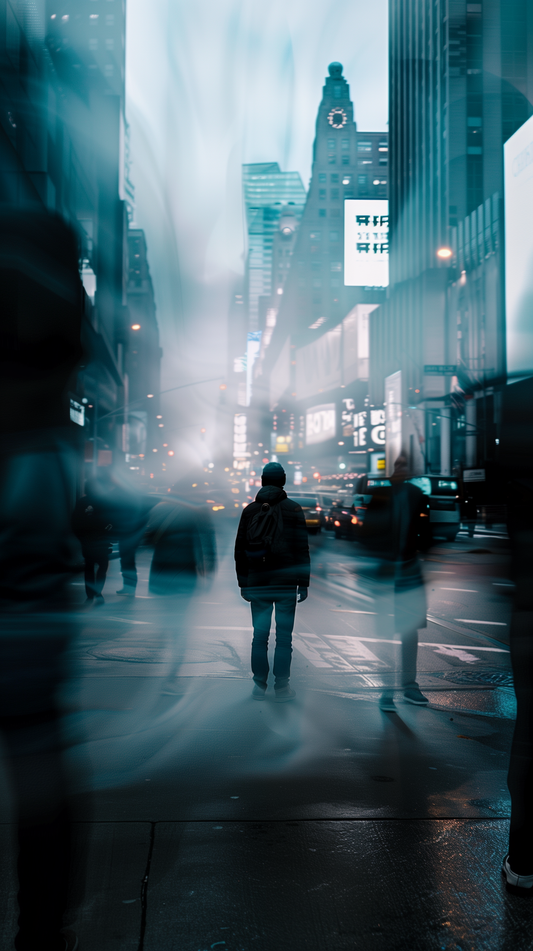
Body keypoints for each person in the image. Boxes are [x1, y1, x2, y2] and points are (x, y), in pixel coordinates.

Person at [356, 454, 429, 711]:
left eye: (404, 466)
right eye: (398, 466)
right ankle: (388, 690)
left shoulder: (417, 496)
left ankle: (409, 686)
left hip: (408, 571)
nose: (401, 470)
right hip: (389, 571)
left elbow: (426, 532)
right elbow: (366, 533)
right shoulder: (381, 496)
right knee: (388, 630)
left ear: (409, 472)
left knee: (409, 630)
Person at [234, 462, 310, 702]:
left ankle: (259, 686)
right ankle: (282, 687)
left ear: (262, 480)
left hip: (258, 581)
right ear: (284, 480)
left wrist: (243, 583)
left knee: (260, 635)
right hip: (286, 582)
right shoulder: (294, 509)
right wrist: (303, 582)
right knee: (284, 638)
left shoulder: (250, 511)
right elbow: (302, 548)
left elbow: (240, 550)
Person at [72, 478, 114, 604]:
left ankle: (89, 593)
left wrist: (81, 537)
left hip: (87, 540)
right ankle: (98, 591)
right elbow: (110, 520)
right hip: (101, 539)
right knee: (102, 566)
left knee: (89, 567)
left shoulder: (81, 502)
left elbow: (75, 522)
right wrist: (107, 532)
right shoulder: (104, 501)